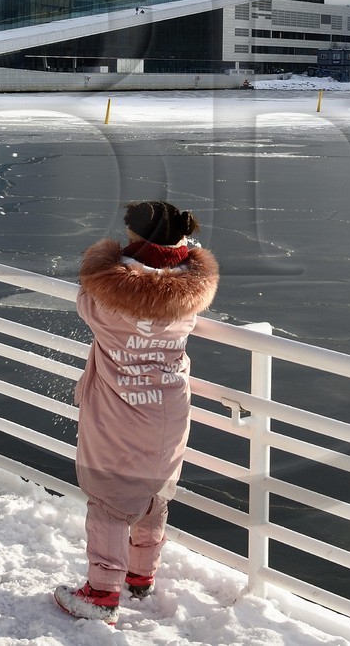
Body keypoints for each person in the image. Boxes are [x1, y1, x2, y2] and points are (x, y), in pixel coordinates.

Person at [54, 201, 219, 623]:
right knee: (154, 491)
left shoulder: (105, 302)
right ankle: (140, 577)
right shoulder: (188, 300)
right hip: (168, 407)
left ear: (135, 238)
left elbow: (87, 296)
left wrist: (104, 261)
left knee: (110, 498)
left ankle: (100, 593)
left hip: (118, 406)